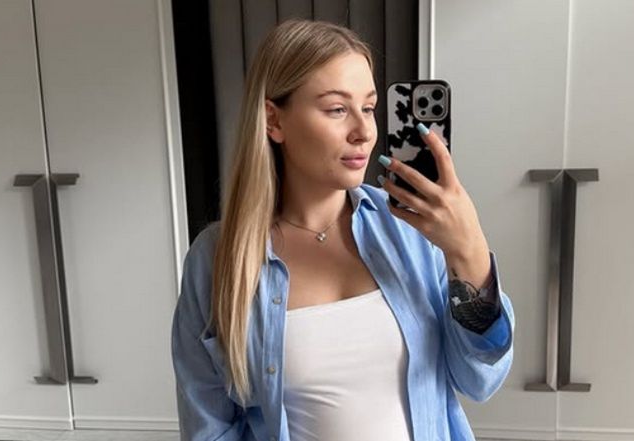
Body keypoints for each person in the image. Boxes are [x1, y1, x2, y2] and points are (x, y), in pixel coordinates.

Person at [171, 19, 514, 441]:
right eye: (337, 109)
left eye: (368, 108)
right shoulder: (217, 258)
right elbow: (209, 427)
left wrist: (469, 252)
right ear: (273, 121)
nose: (364, 132)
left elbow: (480, 378)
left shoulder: (410, 227)